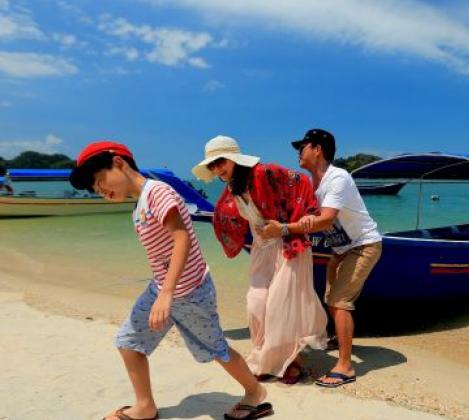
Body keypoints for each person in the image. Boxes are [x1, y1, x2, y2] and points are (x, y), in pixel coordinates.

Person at [69, 141, 273, 420]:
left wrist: (166, 293)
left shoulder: (157, 192)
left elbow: (181, 238)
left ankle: (255, 393)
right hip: (162, 288)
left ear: (118, 163)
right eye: (96, 190)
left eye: (100, 181)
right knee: (128, 341)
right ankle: (145, 407)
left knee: (216, 349)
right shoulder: (140, 204)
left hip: (190, 292)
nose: (101, 191)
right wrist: (162, 291)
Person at [192, 135, 327, 385]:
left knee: (281, 305)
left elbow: (302, 182)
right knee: (256, 304)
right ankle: (269, 359)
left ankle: (291, 362)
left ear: (234, 158)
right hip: (261, 250)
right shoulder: (233, 187)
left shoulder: (265, 172)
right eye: (212, 166)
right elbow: (232, 215)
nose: (218, 169)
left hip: (289, 245)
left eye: (220, 161)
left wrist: (287, 226)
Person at [261, 128, 382, 388]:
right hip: (340, 251)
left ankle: (346, 367)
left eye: (302, 147)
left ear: (317, 149)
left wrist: (283, 229)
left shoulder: (338, 178)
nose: (298, 153)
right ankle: (341, 339)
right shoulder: (311, 183)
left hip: (363, 245)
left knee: (339, 301)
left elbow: (326, 219)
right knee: (330, 298)